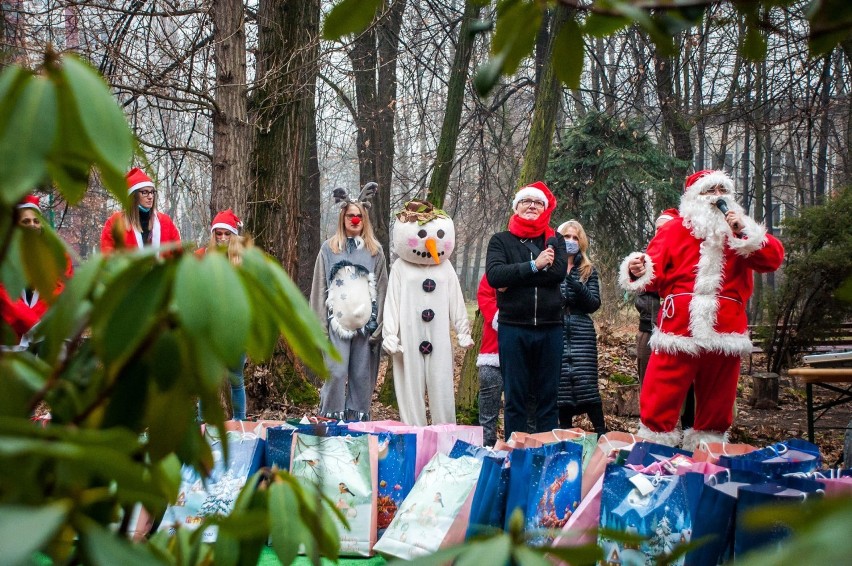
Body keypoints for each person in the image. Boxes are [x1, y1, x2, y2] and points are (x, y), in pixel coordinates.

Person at [619, 169, 784, 450]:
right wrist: (638, 268)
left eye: (723, 190)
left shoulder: (741, 234)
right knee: (661, 393)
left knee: (717, 401)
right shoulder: (673, 229)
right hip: (678, 327)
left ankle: (707, 457)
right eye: (710, 191)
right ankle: (653, 454)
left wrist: (745, 230)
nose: (717, 196)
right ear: (694, 198)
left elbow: (772, 259)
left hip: (724, 329)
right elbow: (652, 271)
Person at [485, 181, 567, 439]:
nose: (532, 205)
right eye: (526, 201)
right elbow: (495, 276)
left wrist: (515, 278)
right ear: (516, 207)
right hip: (513, 328)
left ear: (544, 209)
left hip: (550, 328)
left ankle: (544, 453)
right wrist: (535, 265)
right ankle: (515, 453)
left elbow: (556, 275)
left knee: (547, 397)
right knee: (515, 398)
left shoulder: (555, 239)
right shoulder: (500, 240)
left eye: (538, 202)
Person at [382, 200, 473, 425]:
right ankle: (414, 436)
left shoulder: (446, 266)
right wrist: (390, 334)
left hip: (439, 335)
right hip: (408, 337)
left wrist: (462, 330)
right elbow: (392, 302)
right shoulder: (400, 267)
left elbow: (456, 299)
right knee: (410, 386)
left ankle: (445, 437)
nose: (430, 241)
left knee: (441, 384)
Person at [311, 185, 388, 421]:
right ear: (342, 218)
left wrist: (381, 325)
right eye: (349, 216)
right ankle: (331, 419)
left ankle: (356, 425)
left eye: (359, 216)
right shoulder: (329, 249)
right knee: (336, 371)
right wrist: (320, 326)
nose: (354, 220)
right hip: (337, 327)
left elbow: (383, 288)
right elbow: (319, 287)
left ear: (364, 219)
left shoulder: (375, 252)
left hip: (365, 328)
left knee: (361, 375)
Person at [634, 209, 695, 428]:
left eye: (665, 228)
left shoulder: (687, 259)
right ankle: (652, 430)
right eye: (657, 228)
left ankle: (688, 431)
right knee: (651, 388)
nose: (660, 232)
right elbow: (639, 293)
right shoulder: (646, 259)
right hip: (649, 331)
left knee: (688, 391)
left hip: (682, 334)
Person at [196, 209, 249, 420]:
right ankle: (202, 422)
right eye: (218, 234)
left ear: (233, 236)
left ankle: (240, 422)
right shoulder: (200, 257)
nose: (223, 238)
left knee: (235, 378)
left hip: (235, 328)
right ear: (213, 235)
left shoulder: (243, 260)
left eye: (227, 234)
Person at [1, 195, 73, 350]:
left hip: (46, 335)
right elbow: (4, 295)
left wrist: (38, 325)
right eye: (26, 221)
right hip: (11, 338)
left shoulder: (58, 255)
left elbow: (61, 289)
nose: (33, 225)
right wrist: (30, 324)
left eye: (36, 221)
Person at [555, 220, 605, 435]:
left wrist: (573, 282)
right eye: (567, 236)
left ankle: (602, 433)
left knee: (587, 385)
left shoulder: (587, 269)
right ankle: (565, 436)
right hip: (555, 327)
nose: (571, 241)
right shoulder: (550, 265)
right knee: (561, 387)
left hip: (581, 331)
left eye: (575, 237)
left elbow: (593, 303)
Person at [100, 167, 180, 253]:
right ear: (133, 196)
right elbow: (108, 256)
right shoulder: (116, 222)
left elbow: (178, 254)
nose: (150, 196)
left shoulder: (165, 222)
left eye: (152, 192)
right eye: (145, 192)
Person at [476, 274, 501, 446]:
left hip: (524, 354)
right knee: (487, 415)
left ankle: (520, 451)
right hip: (492, 352)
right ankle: (486, 451)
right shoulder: (494, 272)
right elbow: (485, 296)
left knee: (525, 410)